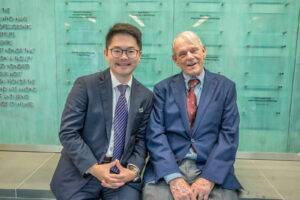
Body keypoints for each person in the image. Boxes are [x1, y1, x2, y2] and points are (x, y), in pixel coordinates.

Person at [50, 23, 153, 200]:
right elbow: (68, 132)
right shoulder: (85, 86)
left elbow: (142, 140)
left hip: (121, 175)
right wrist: (95, 169)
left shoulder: (146, 96)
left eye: (130, 51)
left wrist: (132, 171)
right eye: (117, 50)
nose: (123, 57)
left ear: (139, 55)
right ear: (106, 53)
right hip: (82, 171)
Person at [143, 31, 243, 200]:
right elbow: (155, 134)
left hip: (209, 165)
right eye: (182, 54)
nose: (190, 57)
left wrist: (208, 178)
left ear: (203, 51)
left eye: (194, 50)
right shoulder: (163, 89)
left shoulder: (226, 87)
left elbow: (229, 136)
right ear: (175, 60)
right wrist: (174, 178)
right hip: (171, 163)